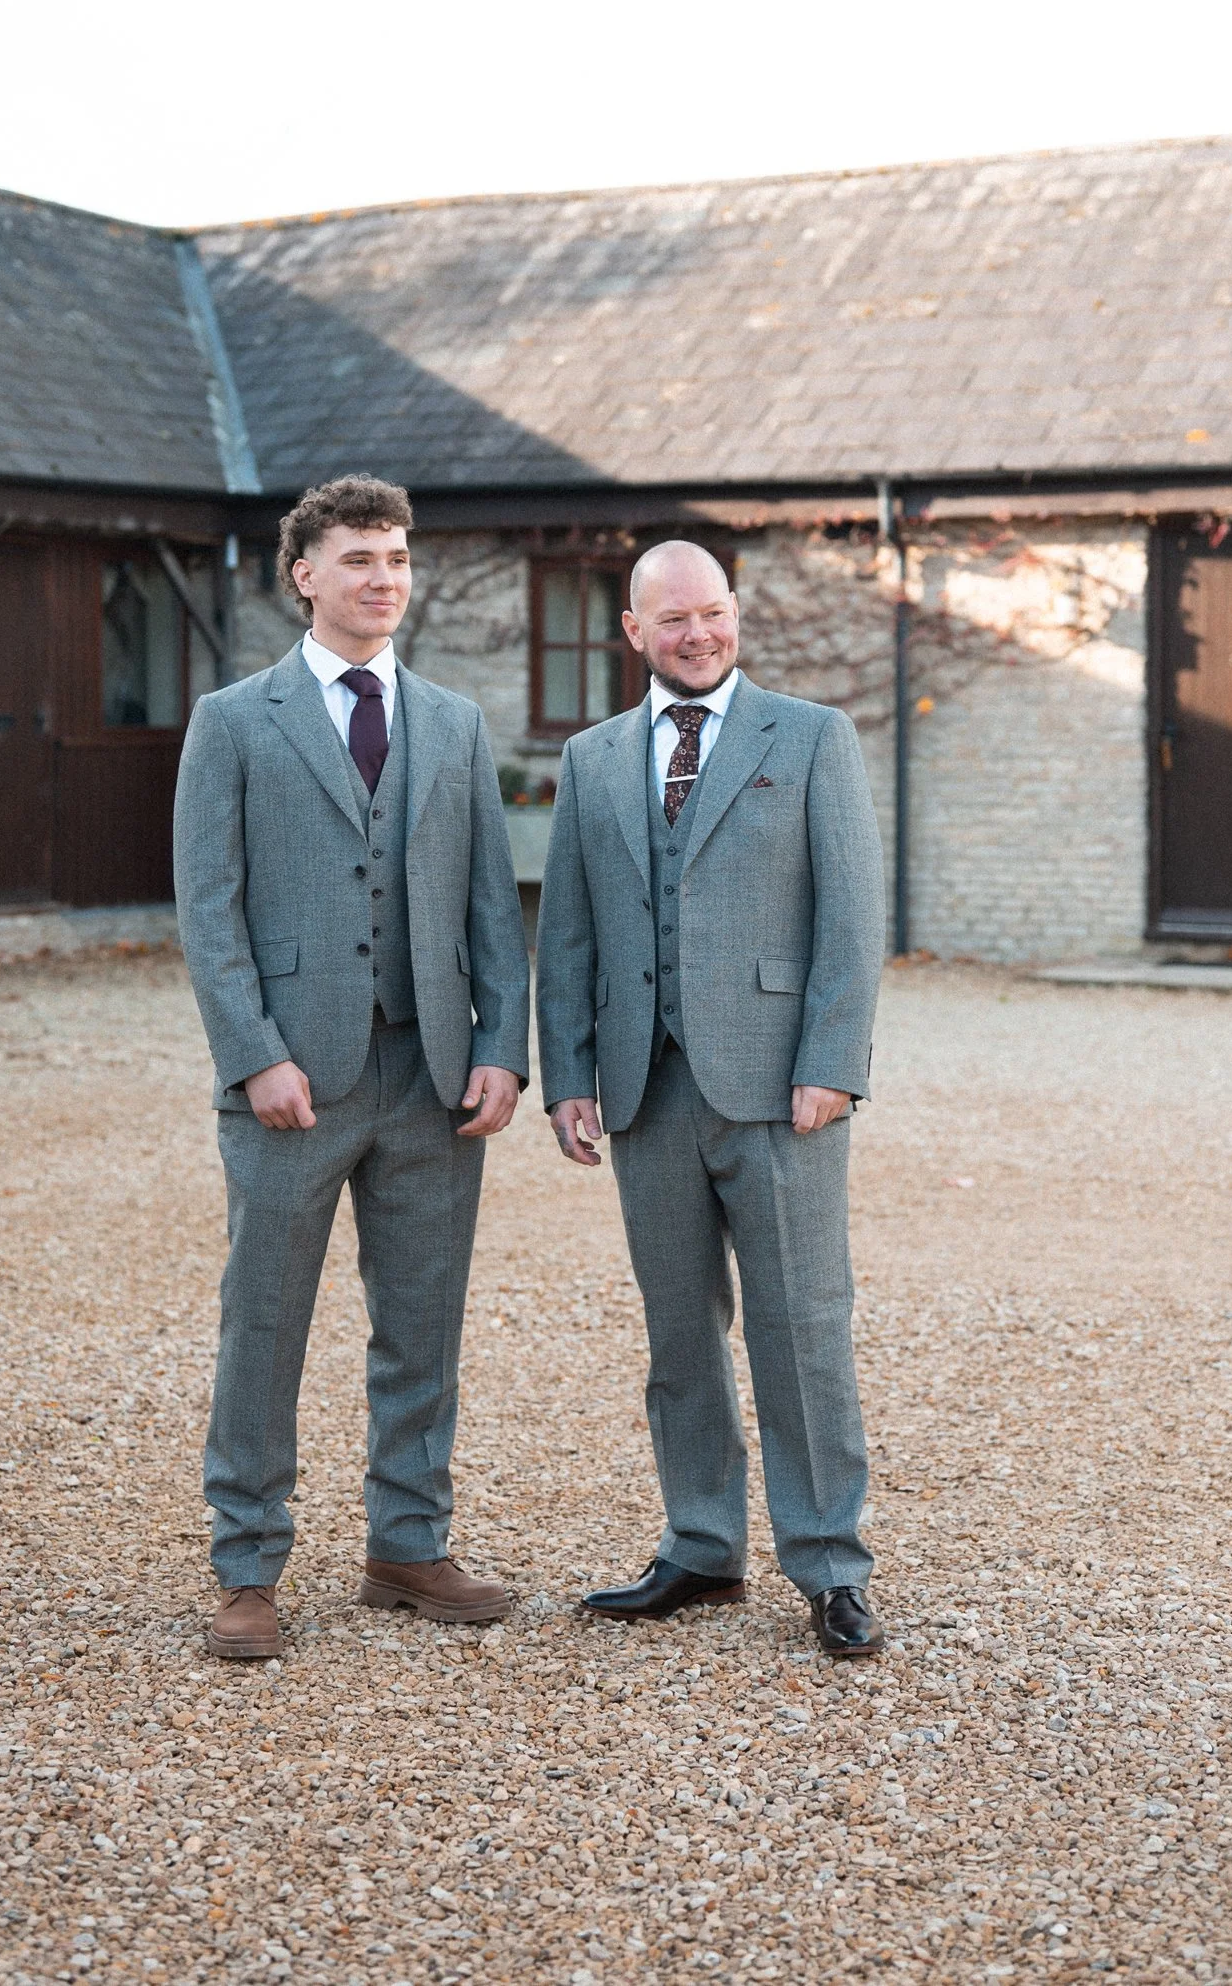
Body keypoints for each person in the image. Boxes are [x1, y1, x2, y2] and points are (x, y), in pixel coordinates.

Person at [174, 474, 529, 1660]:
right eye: (360, 558)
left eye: (398, 557)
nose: (385, 578)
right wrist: (254, 1054)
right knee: (263, 1323)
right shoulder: (233, 719)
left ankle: (406, 1544)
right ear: (304, 574)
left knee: (421, 1324)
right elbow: (209, 911)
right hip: (292, 1084)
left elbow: (493, 910)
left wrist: (500, 1051)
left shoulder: (453, 720)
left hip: (429, 1076)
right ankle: (246, 1567)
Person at [536, 540, 888, 1658]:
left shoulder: (812, 734)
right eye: (672, 618)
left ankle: (828, 1563)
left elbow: (850, 915)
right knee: (677, 1333)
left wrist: (832, 1060)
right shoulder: (592, 759)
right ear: (632, 631)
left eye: (714, 613)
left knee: (801, 1328)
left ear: (734, 617)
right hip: (646, 1086)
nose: (697, 633)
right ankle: (700, 1544)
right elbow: (569, 930)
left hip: (780, 1084)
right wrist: (569, 1074)